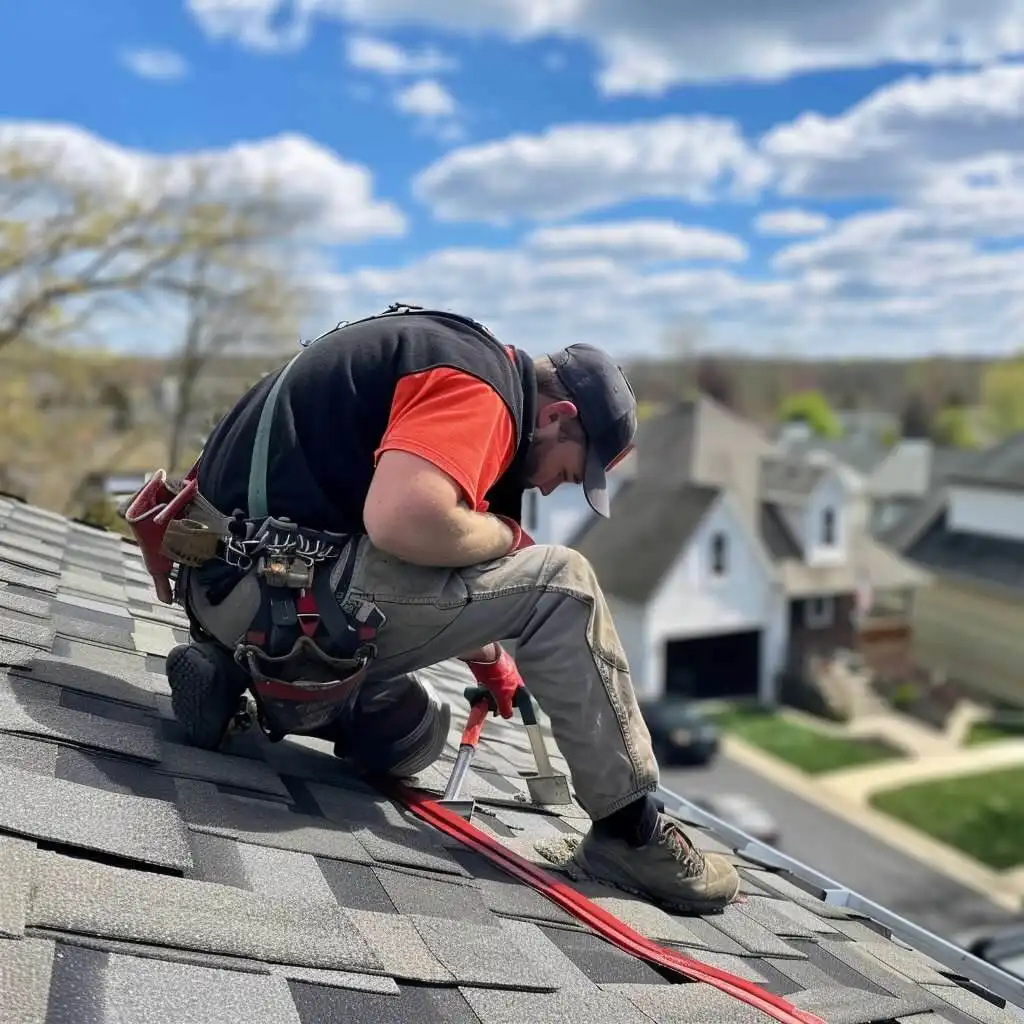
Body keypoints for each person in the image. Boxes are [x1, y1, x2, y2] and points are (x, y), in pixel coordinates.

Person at [135, 305, 739, 913]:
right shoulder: (479, 388)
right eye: (571, 470)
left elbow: (373, 528)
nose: (555, 487)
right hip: (287, 600)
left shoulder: (415, 348)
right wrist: (510, 540)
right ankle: (630, 831)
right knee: (565, 581)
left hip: (225, 595)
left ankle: (237, 677)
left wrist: (488, 653)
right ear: (559, 416)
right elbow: (405, 521)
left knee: (414, 737)